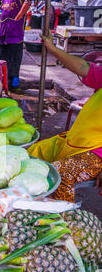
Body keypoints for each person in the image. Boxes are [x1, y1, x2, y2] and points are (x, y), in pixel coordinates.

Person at [28, 32, 102, 202]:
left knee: (60, 173)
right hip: (77, 140)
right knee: (31, 153)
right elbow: (83, 68)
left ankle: (61, 222)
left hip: (98, 153)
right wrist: (52, 48)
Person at [0, 0, 33, 89]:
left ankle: (15, 77)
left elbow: (28, 1)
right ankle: (4, 77)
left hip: (16, 25)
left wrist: (19, 16)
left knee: (15, 51)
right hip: (4, 25)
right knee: (4, 52)